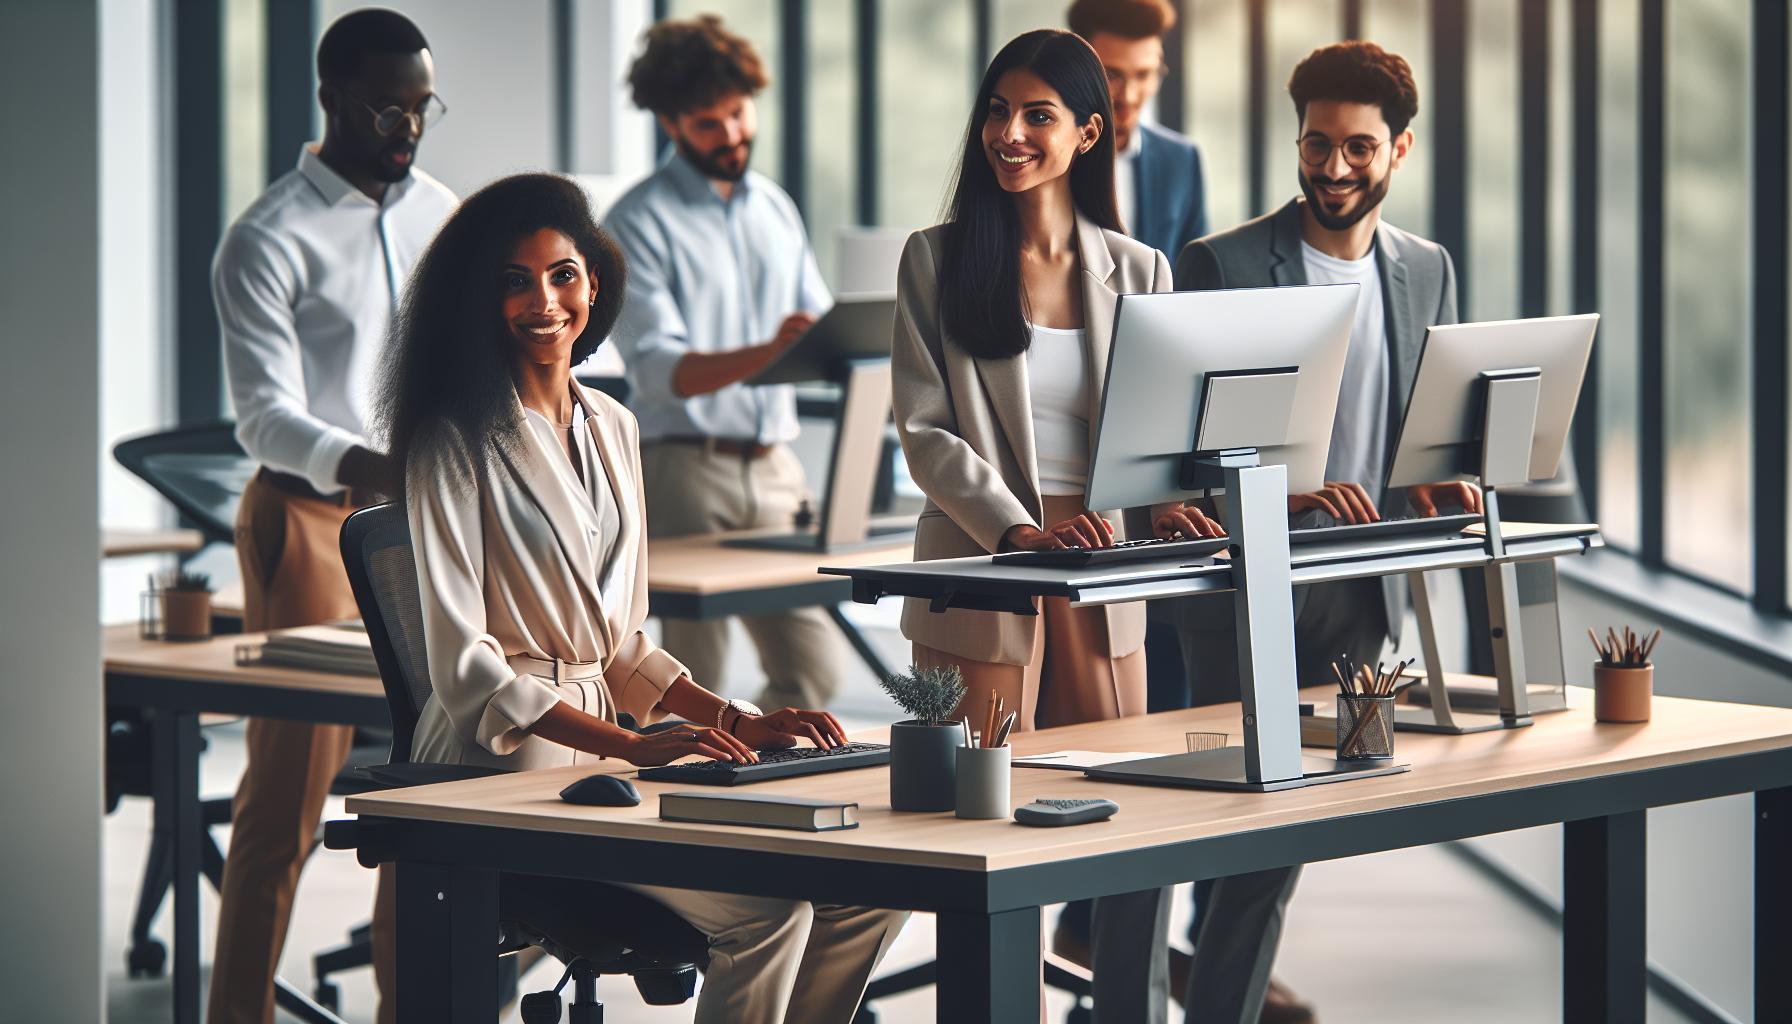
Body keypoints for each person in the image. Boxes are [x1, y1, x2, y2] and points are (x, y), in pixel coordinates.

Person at [378, 172, 907, 1023]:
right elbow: (465, 668)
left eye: (562, 274)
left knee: (868, 892)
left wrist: (735, 720)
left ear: (594, 281)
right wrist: (633, 746)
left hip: (613, 757)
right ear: (478, 299)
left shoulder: (614, 424)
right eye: (514, 281)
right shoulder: (451, 437)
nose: (544, 301)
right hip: (504, 764)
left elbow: (621, 646)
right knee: (766, 916)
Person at [1115, 40, 1483, 1024]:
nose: (1330, 168)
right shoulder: (1222, 263)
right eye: (1315, 143)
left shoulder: (1426, 269)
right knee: (1199, 821)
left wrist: (1443, 488)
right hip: (1240, 583)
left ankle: (1218, 1012)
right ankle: (1123, 1005)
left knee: (1285, 836)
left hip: (1362, 588)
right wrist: (1268, 495)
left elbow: (1422, 432)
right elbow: (1171, 453)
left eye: (1357, 148)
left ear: (1398, 151)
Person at [890, 29, 1223, 1024]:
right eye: (998, 110)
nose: (1010, 133)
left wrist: (1167, 498)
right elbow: (925, 431)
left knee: (1116, 825)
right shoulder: (936, 259)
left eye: (1038, 116)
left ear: (1089, 133)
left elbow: (1160, 433)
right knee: (986, 833)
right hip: (988, 564)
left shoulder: (1141, 270)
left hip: (1104, 572)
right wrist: (1015, 529)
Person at [208, 10, 455, 1022]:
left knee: (423, 783)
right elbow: (262, 414)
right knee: (285, 800)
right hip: (308, 517)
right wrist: (370, 464)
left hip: (429, 518)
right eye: (386, 107)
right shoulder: (266, 237)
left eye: (422, 106)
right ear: (329, 97)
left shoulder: (445, 212)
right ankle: (235, 1011)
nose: (406, 127)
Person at [605, 16, 842, 713]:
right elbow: (660, 372)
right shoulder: (636, 223)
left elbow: (818, 330)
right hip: (684, 469)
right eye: (710, 124)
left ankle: (756, 789)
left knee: (813, 670)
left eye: (739, 114)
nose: (734, 135)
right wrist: (774, 349)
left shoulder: (775, 207)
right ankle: (671, 810)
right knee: (687, 681)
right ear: (672, 124)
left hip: (775, 471)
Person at [1067, 0, 1208, 263]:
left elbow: (1194, 278)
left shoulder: (1181, 160)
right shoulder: (1043, 154)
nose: (1129, 96)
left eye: (1144, 75)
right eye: (1111, 75)